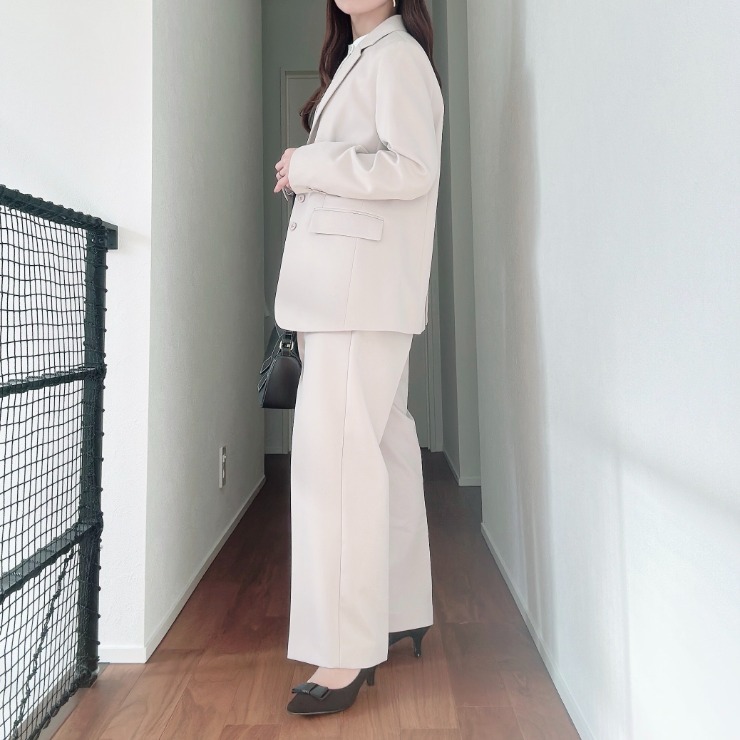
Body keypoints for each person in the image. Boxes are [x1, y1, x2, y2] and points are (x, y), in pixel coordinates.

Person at [272, 0, 444, 716]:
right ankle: (399, 607)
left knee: (335, 470)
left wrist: (310, 163)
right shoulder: (366, 56)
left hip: (353, 298)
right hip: (354, 295)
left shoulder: (398, 57)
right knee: (384, 447)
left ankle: (345, 649)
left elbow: (412, 167)